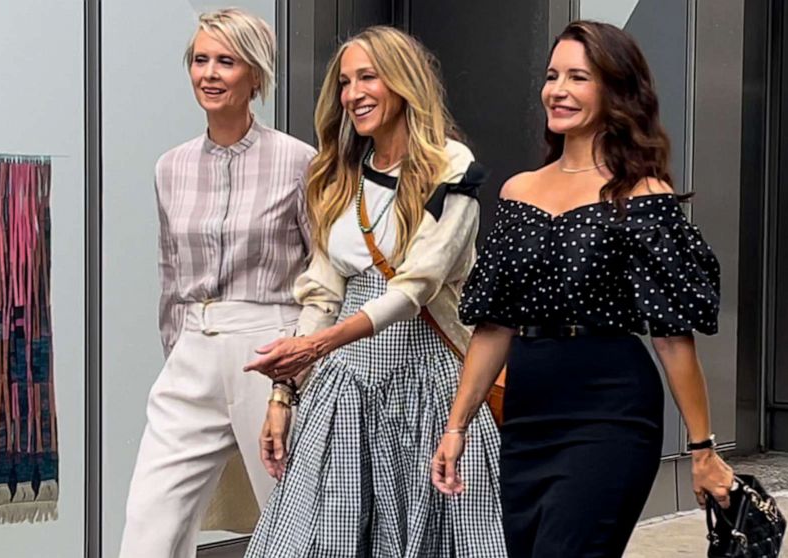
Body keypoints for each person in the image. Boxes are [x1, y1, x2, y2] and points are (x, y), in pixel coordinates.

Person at [431, 20, 735, 557]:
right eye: (553, 75)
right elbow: (494, 325)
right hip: (528, 413)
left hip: (610, 411)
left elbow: (671, 337)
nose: (559, 90)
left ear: (615, 90)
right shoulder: (518, 191)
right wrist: (456, 427)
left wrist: (702, 448)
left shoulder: (642, 195)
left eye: (579, 77)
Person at [242, 25, 507, 558]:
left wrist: (318, 346)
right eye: (345, 81)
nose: (353, 93)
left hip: (430, 387)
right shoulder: (339, 175)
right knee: (317, 538)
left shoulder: (449, 169)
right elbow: (321, 295)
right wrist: (283, 394)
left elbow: (416, 287)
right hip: (345, 389)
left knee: (436, 538)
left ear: (404, 83)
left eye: (369, 77)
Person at [118, 9, 315, 558]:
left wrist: (298, 367)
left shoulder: (300, 162)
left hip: (270, 346)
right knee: (148, 521)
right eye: (200, 60)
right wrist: (177, 347)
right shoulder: (170, 166)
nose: (209, 73)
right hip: (192, 349)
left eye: (226, 61)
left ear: (255, 76)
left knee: (290, 521)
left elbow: (323, 271)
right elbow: (170, 273)